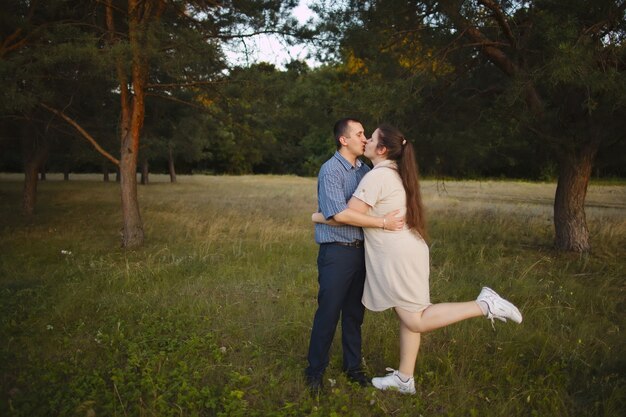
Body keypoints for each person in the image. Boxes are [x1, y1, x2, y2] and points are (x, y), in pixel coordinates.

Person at [312, 124, 522, 395]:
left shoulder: (376, 177)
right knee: (410, 312)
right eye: (362, 136)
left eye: (371, 138)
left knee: (416, 319)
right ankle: (404, 378)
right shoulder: (393, 172)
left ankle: (484, 305)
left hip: (397, 255)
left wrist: (317, 216)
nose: (365, 141)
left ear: (382, 149)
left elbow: (343, 215)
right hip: (408, 250)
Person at [305, 118, 405, 394]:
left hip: (363, 253)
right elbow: (339, 214)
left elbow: (362, 210)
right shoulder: (331, 171)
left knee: (353, 315)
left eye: (365, 134)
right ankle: (315, 371)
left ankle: (353, 369)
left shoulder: (365, 170)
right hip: (337, 253)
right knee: (328, 313)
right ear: (343, 140)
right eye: (360, 134)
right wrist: (383, 222)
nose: (365, 139)